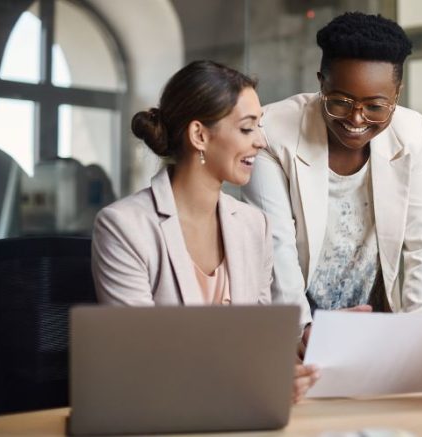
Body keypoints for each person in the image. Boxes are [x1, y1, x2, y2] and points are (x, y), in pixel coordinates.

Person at [91, 60, 317, 402]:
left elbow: (257, 348)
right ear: (199, 135)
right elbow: (140, 363)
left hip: (241, 416)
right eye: (246, 128)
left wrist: (312, 345)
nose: (260, 142)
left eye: (260, 127)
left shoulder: (254, 226)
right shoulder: (124, 227)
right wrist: (254, 383)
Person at [242, 12, 422, 340]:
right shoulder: (271, 132)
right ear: (321, 82)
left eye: (376, 107)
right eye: (340, 102)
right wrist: (301, 331)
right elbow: (275, 247)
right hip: (300, 329)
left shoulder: (411, 132)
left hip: (377, 328)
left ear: (397, 94)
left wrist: (419, 335)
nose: (356, 118)